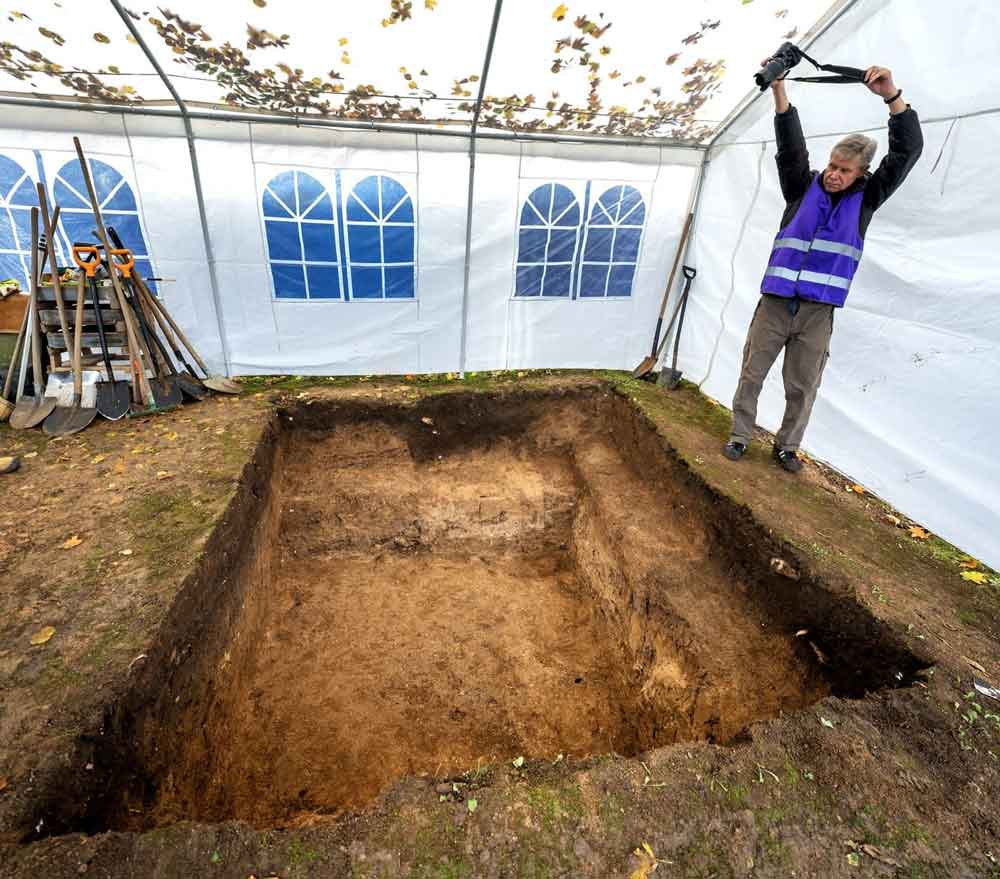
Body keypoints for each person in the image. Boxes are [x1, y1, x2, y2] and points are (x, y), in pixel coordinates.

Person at [723, 59, 923, 472]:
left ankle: (786, 446)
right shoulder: (801, 186)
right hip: (775, 304)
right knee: (752, 374)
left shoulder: (868, 198)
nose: (833, 174)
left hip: (817, 313)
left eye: (844, 170)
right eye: (831, 165)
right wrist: (779, 89)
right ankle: (740, 436)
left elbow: (906, 153)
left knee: (802, 386)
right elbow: (790, 146)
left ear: (861, 173)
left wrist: (891, 96)